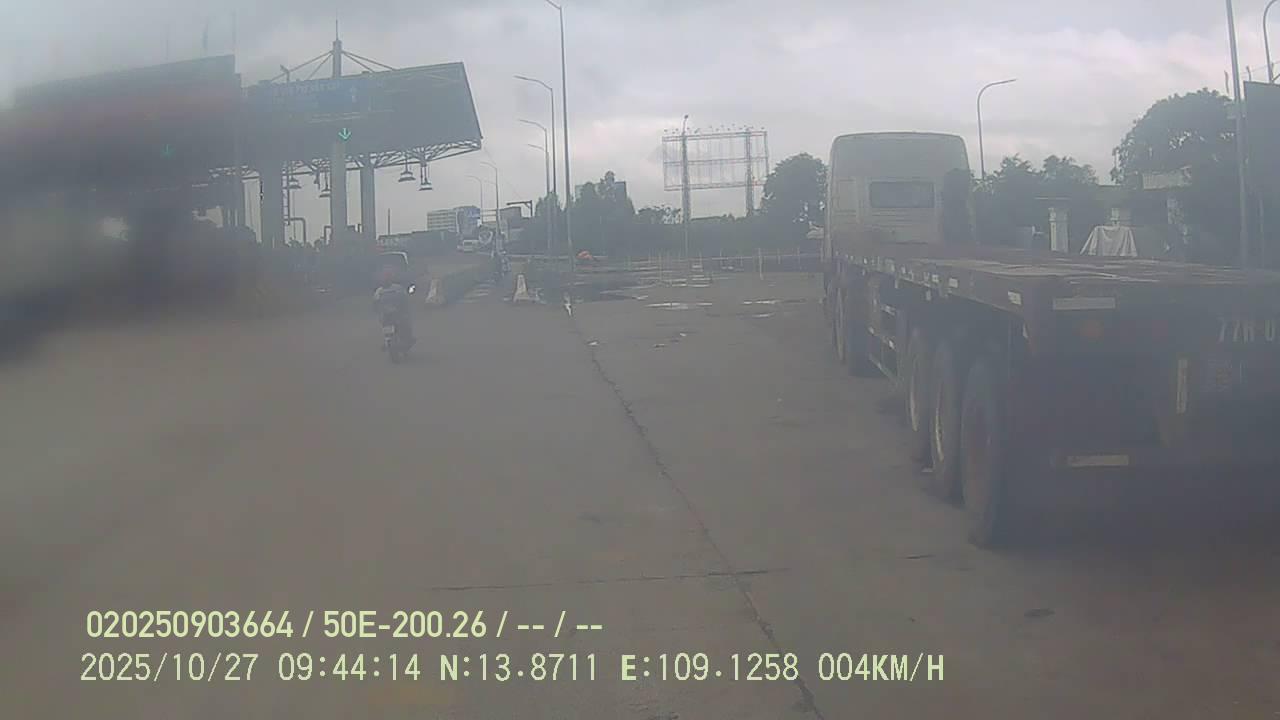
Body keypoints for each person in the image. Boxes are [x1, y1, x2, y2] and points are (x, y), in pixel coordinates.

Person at [373, 266, 415, 349]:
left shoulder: (395, 288)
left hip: (396, 314)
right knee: (388, 328)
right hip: (388, 315)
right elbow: (375, 303)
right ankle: (388, 341)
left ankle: (407, 339)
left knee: (405, 324)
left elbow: (405, 299)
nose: (386, 280)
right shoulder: (381, 291)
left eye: (387, 278)